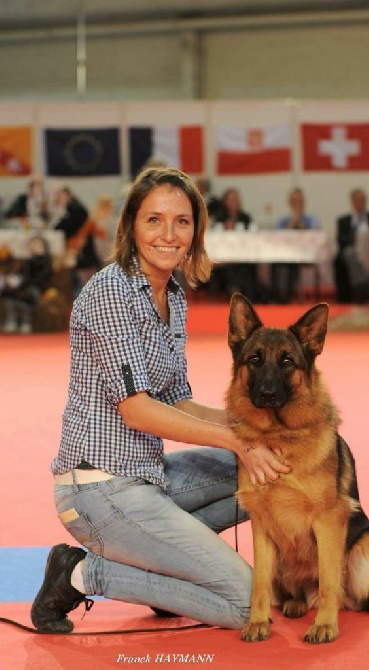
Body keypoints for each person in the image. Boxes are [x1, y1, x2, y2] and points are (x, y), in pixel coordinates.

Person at [30, 166, 290, 634]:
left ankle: (170, 570)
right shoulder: (112, 292)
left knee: (272, 474)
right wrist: (238, 441)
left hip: (148, 476)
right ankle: (78, 574)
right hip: (99, 491)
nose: (169, 235)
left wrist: (261, 431)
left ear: (196, 230)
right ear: (131, 224)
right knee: (244, 605)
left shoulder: (172, 294)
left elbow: (176, 399)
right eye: (154, 220)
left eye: (182, 222)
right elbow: (138, 408)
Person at [333, 188, 369, 304]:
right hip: (352, 251)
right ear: (352, 201)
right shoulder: (343, 221)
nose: (360, 203)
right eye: (358, 200)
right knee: (349, 253)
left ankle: (365, 288)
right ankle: (363, 285)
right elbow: (341, 240)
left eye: (363, 200)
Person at [271, 187, 321, 304]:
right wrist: (294, 220)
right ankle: (277, 295)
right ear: (290, 203)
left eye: (300, 201)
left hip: (306, 254)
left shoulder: (311, 219)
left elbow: (315, 236)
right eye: (295, 201)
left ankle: (289, 295)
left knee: (293, 263)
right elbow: (279, 237)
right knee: (276, 262)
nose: (297, 204)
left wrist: (301, 222)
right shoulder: (283, 220)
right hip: (286, 254)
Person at [210, 188, 260, 301]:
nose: (234, 202)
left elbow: (253, 235)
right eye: (231, 199)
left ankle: (241, 293)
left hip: (244, 255)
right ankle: (235, 292)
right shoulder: (220, 218)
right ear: (225, 202)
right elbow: (215, 238)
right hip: (223, 256)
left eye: (236, 199)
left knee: (242, 266)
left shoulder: (245, 217)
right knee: (230, 265)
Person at [0, 235, 52, 333]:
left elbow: (40, 279)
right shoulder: (27, 261)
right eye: (33, 244)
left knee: (26, 295)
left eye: (38, 244)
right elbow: (21, 275)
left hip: (36, 288)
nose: (35, 247)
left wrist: (22, 285)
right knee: (8, 293)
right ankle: (12, 320)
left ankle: (26, 321)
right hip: (22, 286)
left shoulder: (46, 261)